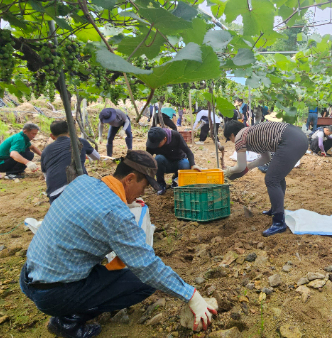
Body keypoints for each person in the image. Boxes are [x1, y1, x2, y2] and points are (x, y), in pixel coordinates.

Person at [20, 151, 217, 338]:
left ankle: (70, 305)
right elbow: (147, 266)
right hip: (53, 294)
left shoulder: (82, 182)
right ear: (129, 179)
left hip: (29, 276)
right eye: (144, 187)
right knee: (143, 283)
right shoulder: (115, 214)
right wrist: (190, 295)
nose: (142, 194)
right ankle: (69, 320)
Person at [223, 120, 308, 237]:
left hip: (290, 141)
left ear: (232, 134)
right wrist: (249, 167)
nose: (232, 141)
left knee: (271, 179)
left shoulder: (239, 137)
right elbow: (266, 158)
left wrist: (228, 171)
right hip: (298, 137)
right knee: (277, 176)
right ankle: (275, 209)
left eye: (229, 139)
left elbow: (240, 166)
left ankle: (278, 222)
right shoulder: (254, 134)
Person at [40, 120, 100, 203]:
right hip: (79, 190)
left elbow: (46, 176)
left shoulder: (45, 151)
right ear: (70, 131)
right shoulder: (79, 142)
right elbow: (97, 157)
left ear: (52, 136)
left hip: (55, 196)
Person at [146, 127, 201, 195]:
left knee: (185, 164)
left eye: (157, 144)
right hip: (164, 164)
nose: (154, 146)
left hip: (178, 161)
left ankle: (176, 181)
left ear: (164, 139)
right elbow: (148, 157)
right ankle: (161, 184)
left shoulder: (175, 136)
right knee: (158, 158)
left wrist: (193, 165)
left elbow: (188, 152)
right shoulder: (152, 141)